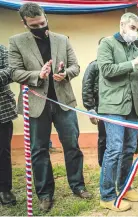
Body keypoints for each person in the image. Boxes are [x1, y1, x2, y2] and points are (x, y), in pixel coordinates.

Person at [9, 3, 91, 212]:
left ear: (46, 17)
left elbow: (75, 66)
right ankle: (45, 194)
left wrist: (66, 74)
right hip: (36, 105)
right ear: (25, 23)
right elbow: (14, 72)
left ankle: (78, 185)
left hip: (64, 102)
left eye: (42, 22)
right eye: (34, 25)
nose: (40, 27)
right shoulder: (17, 42)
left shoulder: (62, 40)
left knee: (72, 146)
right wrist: (38, 75)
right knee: (39, 150)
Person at [97, 12, 138, 211]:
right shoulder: (107, 44)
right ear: (122, 24)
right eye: (132, 28)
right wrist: (134, 63)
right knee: (114, 149)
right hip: (113, 107)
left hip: (132, 107)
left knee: (129, 149)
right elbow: (107, 71)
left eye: (137, 29)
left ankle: (125, 187)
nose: (135, 33)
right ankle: (107, 194)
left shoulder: (136, 49)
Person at [82, 37, 106, 167]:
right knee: (103, 138)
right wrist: (90, 108)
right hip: (100, 108)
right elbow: (87, 88)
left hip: (116, 108)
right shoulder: (94, 65)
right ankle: (103, 165)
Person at [0, 45, 17, 206]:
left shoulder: (1, 49)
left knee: (2, 151)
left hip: (1, 110)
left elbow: (11, 70)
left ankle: (4, 188)